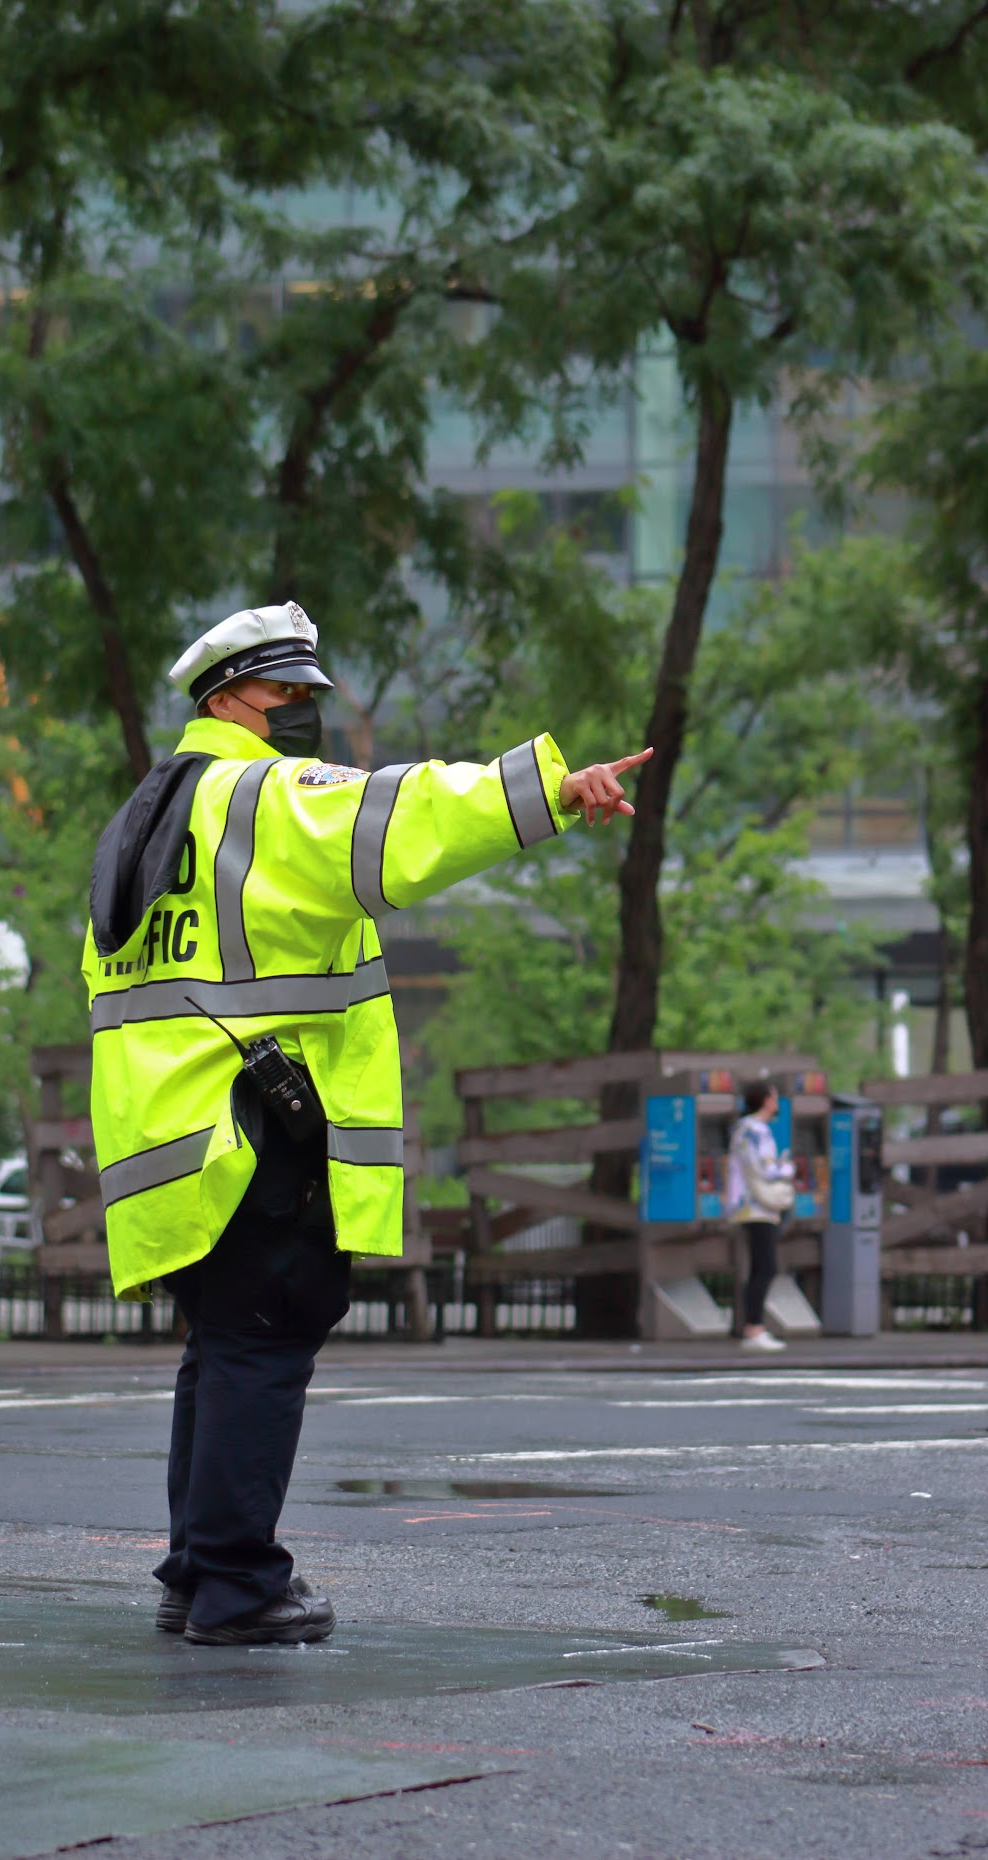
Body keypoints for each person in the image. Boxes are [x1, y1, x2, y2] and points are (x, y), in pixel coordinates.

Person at [82, 599, 650, 1646]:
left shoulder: (149, 812)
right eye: (284, 694)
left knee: (221, 1350)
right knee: (263, 1344)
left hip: (169, 1139)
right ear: (227, 698)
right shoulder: (259, 796)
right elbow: (398, 819)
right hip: (253, 1136)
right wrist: (550, 792)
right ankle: (236, 1587)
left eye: (306, 694)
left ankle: (194, 1570)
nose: (301, 712)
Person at [727, 1081, 795, 1352]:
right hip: (757, 1206)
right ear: (766, 1100)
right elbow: (763, 1169)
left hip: (748, 1205)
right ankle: (754, 1328)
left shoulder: (744, 1129)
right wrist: (786, 1169)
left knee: (760, 1266)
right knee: (765, 1266)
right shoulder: (755, 1131)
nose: (777, 1102)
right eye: (775, 1096)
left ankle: (753, 1327)